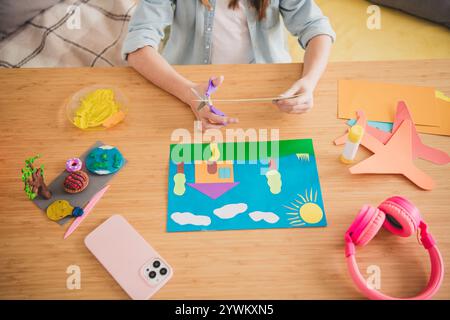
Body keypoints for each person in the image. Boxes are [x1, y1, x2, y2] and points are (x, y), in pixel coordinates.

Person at [122, 0, 335, 130]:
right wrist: (189, 93)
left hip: (267, 91)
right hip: (183, 88)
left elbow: (316, 28)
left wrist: (309, 81)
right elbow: (138, 46)